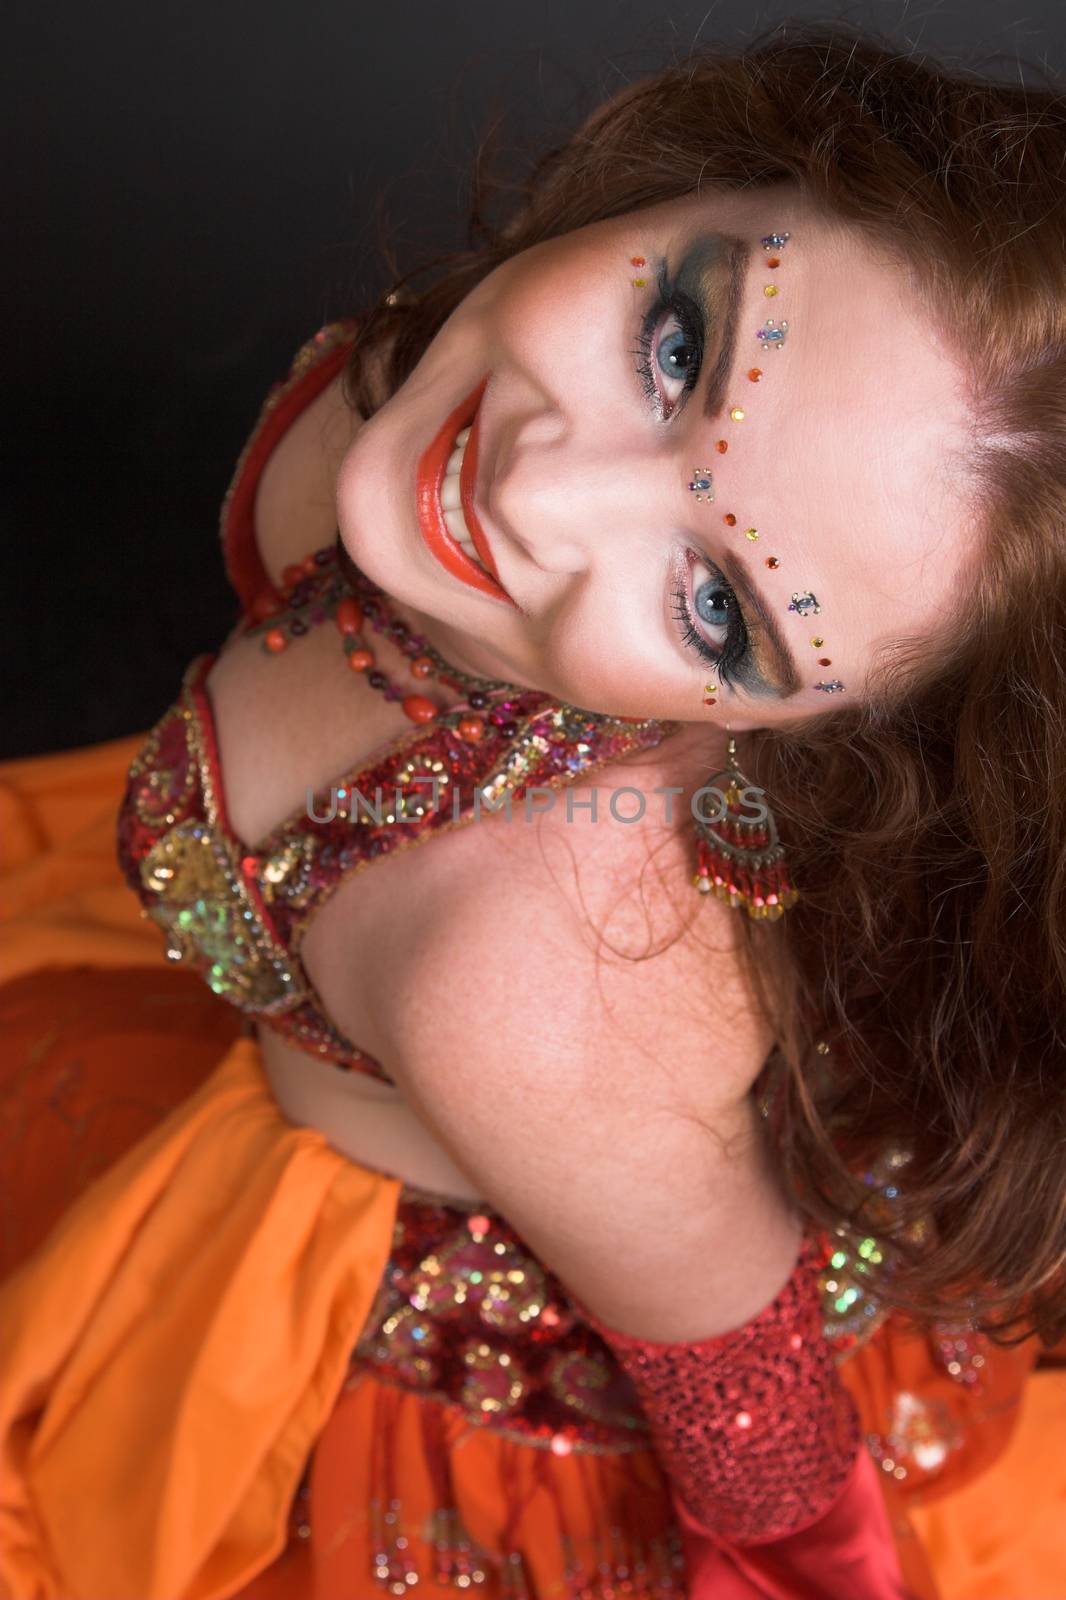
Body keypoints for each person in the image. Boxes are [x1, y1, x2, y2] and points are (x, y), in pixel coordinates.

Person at [2, 20, 1065, 1600]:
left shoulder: (528, 982)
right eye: (678, 349)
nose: (536, 492)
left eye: (718, 611)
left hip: (465, 1398)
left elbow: (764, 1447)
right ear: (727, 170)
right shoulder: (422, 387)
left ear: (809, 733)